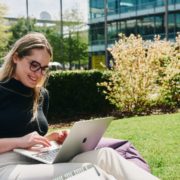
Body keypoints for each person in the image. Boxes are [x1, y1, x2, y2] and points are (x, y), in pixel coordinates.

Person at [0, 32, 159, 180]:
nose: (38, 73)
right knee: (89, 171)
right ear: (16, 57)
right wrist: (20, 141)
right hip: (6, 166)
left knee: (106, 155)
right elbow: (22, 139)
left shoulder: (41, 95)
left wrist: (51, 139)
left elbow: (28, 137)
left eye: (43, 68)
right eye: (34, 65)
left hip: (38, 158)